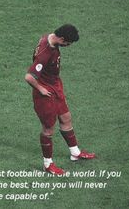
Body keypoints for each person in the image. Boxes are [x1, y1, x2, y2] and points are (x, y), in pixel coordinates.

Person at [25, 24, 95, 175]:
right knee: (48, 129)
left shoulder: (49, 37)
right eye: (68, 43)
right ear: (62, 39)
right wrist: (41, 89)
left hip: (55, 86)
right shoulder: (45, 52)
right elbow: (29, 76)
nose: (68, 46)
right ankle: (47, 164)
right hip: (46, 94)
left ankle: (75, 152)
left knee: (66, 118)